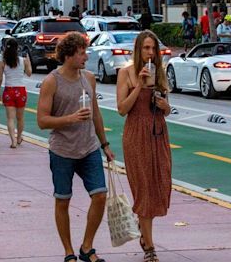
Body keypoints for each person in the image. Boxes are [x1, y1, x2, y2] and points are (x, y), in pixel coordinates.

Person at [37, 32, 114, 262]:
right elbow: (42, 120)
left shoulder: (88, 78)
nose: (86, 57)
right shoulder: (52, 81)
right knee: (63, 199)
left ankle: (86, 247)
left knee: (100, 196)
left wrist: (105, 144)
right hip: (62, 150)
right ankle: (68, 251)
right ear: (69, 56)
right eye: (81, 53)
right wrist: (70, 119)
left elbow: (96, 114)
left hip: (89, 147)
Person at [116, 30, 171, 262]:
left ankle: (143, 224)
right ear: (138, 50)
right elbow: (122, 109)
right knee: (144, 189)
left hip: (158, 134)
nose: (150, 53)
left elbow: (167, 109)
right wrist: (138, 85)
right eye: (146, 48)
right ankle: (149, 247)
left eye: (153, 49)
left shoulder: (160, 73)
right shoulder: (126, 73)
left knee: (160, 186)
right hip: (136, 134)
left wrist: (164, 106)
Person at [0, 38, 32, 148]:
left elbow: (0, 78)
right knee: (20, 118)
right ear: (17, 48)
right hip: (20, 91)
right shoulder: (23, 60)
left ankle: (13, 141)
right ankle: (19, 137)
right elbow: (29, 73)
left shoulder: (3, 62)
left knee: (10, 118)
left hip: (9, 90)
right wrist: (28, 60)